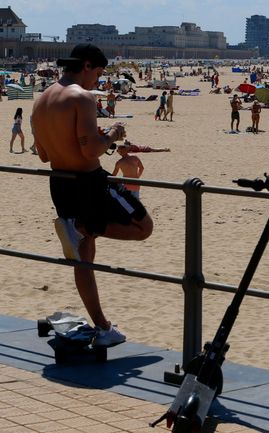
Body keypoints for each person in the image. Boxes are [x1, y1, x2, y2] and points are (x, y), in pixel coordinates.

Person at [31, 43, 154, 346]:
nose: (97, 81)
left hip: (60, 182)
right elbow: (90, 150)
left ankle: (103, 328)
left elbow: (44, 155)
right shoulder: (81, 97)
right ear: (87, 66)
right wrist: (113, 133)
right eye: (98, 73)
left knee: (84, 256)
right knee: (143, 227)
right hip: (89, 182)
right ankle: (82, 227)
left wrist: (90, 140)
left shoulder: (42, 99)